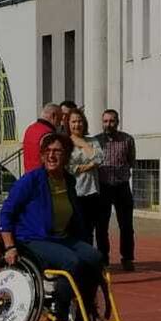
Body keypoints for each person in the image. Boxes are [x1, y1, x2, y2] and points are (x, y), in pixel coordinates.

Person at [0, 131, 105, 321]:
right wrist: (10, 247)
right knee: (72, 262)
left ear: (66, 155)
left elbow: (75, 218)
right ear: (42, 155)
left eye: (57, 151)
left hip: (61, 238)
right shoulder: (31, 180)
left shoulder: (69, 180)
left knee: (95, 257)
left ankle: (85, 310)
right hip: (32, 239)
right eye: (47, 151)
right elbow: (6, 213)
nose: (52, 155)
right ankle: (61, 313)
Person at [96, 108, 135, 271]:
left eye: (112, 121)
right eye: (105, 121)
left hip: (122, 187)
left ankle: (127, 258)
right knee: (101, 225)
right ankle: (103, 258)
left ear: (117, 122)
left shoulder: (127, 139)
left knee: (126, 225)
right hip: (103, 188)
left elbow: (131, 160)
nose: (108, 124)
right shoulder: (96, 141)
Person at [66, 109, 105, 255]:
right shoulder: (66, 142)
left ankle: (88, 259)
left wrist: (83, 144)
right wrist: (88, 165)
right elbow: (68, 167)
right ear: (68, 124)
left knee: (89, 229)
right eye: (74, 121)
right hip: (74, 192)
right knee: (74, 228)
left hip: (92, 192)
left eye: (80, 121)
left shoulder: (92, 140)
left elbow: (100, 158)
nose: (77, 124)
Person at [21, 102, 64, 173]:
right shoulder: (48, 134)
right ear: (54, 116)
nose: (60, 124)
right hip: (43, 177)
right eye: (59, 119)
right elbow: (52, 160)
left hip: (29, 175)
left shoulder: (30, 129)